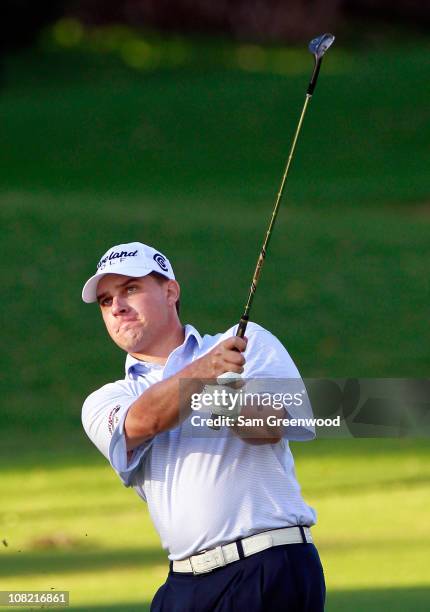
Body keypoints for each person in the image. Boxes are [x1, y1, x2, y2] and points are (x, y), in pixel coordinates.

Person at [81, 241, 326, 611]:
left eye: (130, 289)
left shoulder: (247, 344)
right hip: (184, 584)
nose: (117, 306)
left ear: (170, 291)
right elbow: (143, 421)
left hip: (270, 566)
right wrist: (202, 374)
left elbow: (269, 428)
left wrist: (220, 386)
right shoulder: (106, 400)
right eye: (105, 300)